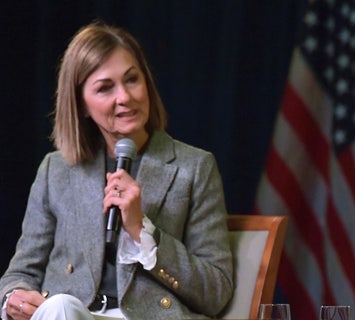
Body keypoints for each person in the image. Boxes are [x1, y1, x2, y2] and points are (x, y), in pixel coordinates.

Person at [0, 22, 233, 320]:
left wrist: (141, 230)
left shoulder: (194, 168)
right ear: (81, 104)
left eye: (132, 80)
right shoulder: (55, 171)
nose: (124, 97)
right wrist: (13, 298)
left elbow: (216, 291)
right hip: (71, 314)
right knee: (60, 306)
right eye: (105, 88)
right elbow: (20, 273)